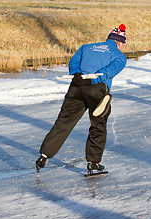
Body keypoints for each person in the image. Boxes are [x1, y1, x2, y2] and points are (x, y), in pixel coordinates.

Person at [35, 24, 127, 173]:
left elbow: (74, 62)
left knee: (63, 122)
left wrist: (77, 74)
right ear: (119, 42)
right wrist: (97, 77)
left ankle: (44, 156)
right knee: (98, 125)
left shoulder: (86, 47)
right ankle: (93, 162)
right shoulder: (119, 55)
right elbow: (110, 71)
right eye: (123, 44)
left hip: (76, 87)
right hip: (97, 90)